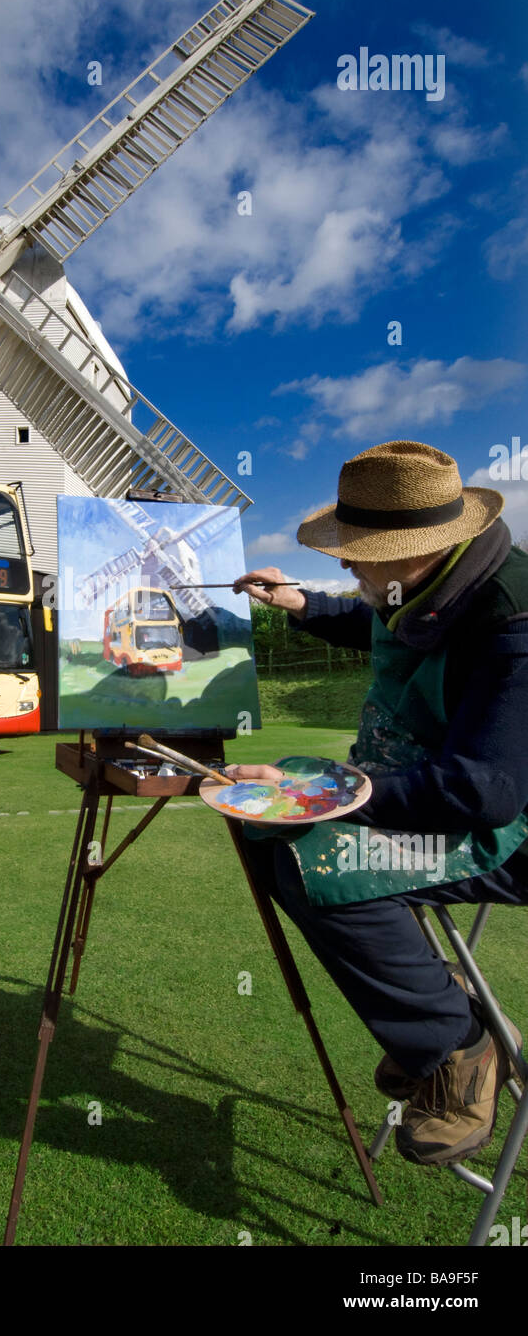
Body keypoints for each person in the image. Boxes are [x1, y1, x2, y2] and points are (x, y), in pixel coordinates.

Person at [230, 440, 528, 1167]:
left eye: (361, 549)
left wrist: (321, 794)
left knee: (314, 863)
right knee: (271, 838)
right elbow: (369, 615)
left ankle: (456, 1049)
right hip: (447, 797)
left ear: (424, 549)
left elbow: (485, 790)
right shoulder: (425, 584)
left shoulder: (512, 623)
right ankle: (432, 1004)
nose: (343, 563)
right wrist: (297, 604)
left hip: (509, 831)